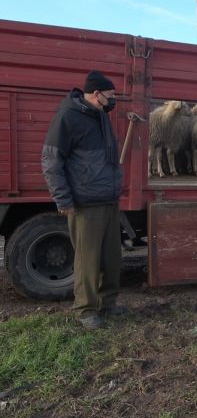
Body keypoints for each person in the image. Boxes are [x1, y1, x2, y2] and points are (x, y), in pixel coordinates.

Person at [41, 70, 125, 330]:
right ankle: (86, 310)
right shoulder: (68, 117)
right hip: (85, 204)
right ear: (96, 94)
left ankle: (108, 304)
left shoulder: (100, 117)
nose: (114, 100)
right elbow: (51, 160)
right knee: (87, 260)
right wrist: (63, 198)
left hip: (108, 201)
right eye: (111, 96)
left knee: (112, 258)